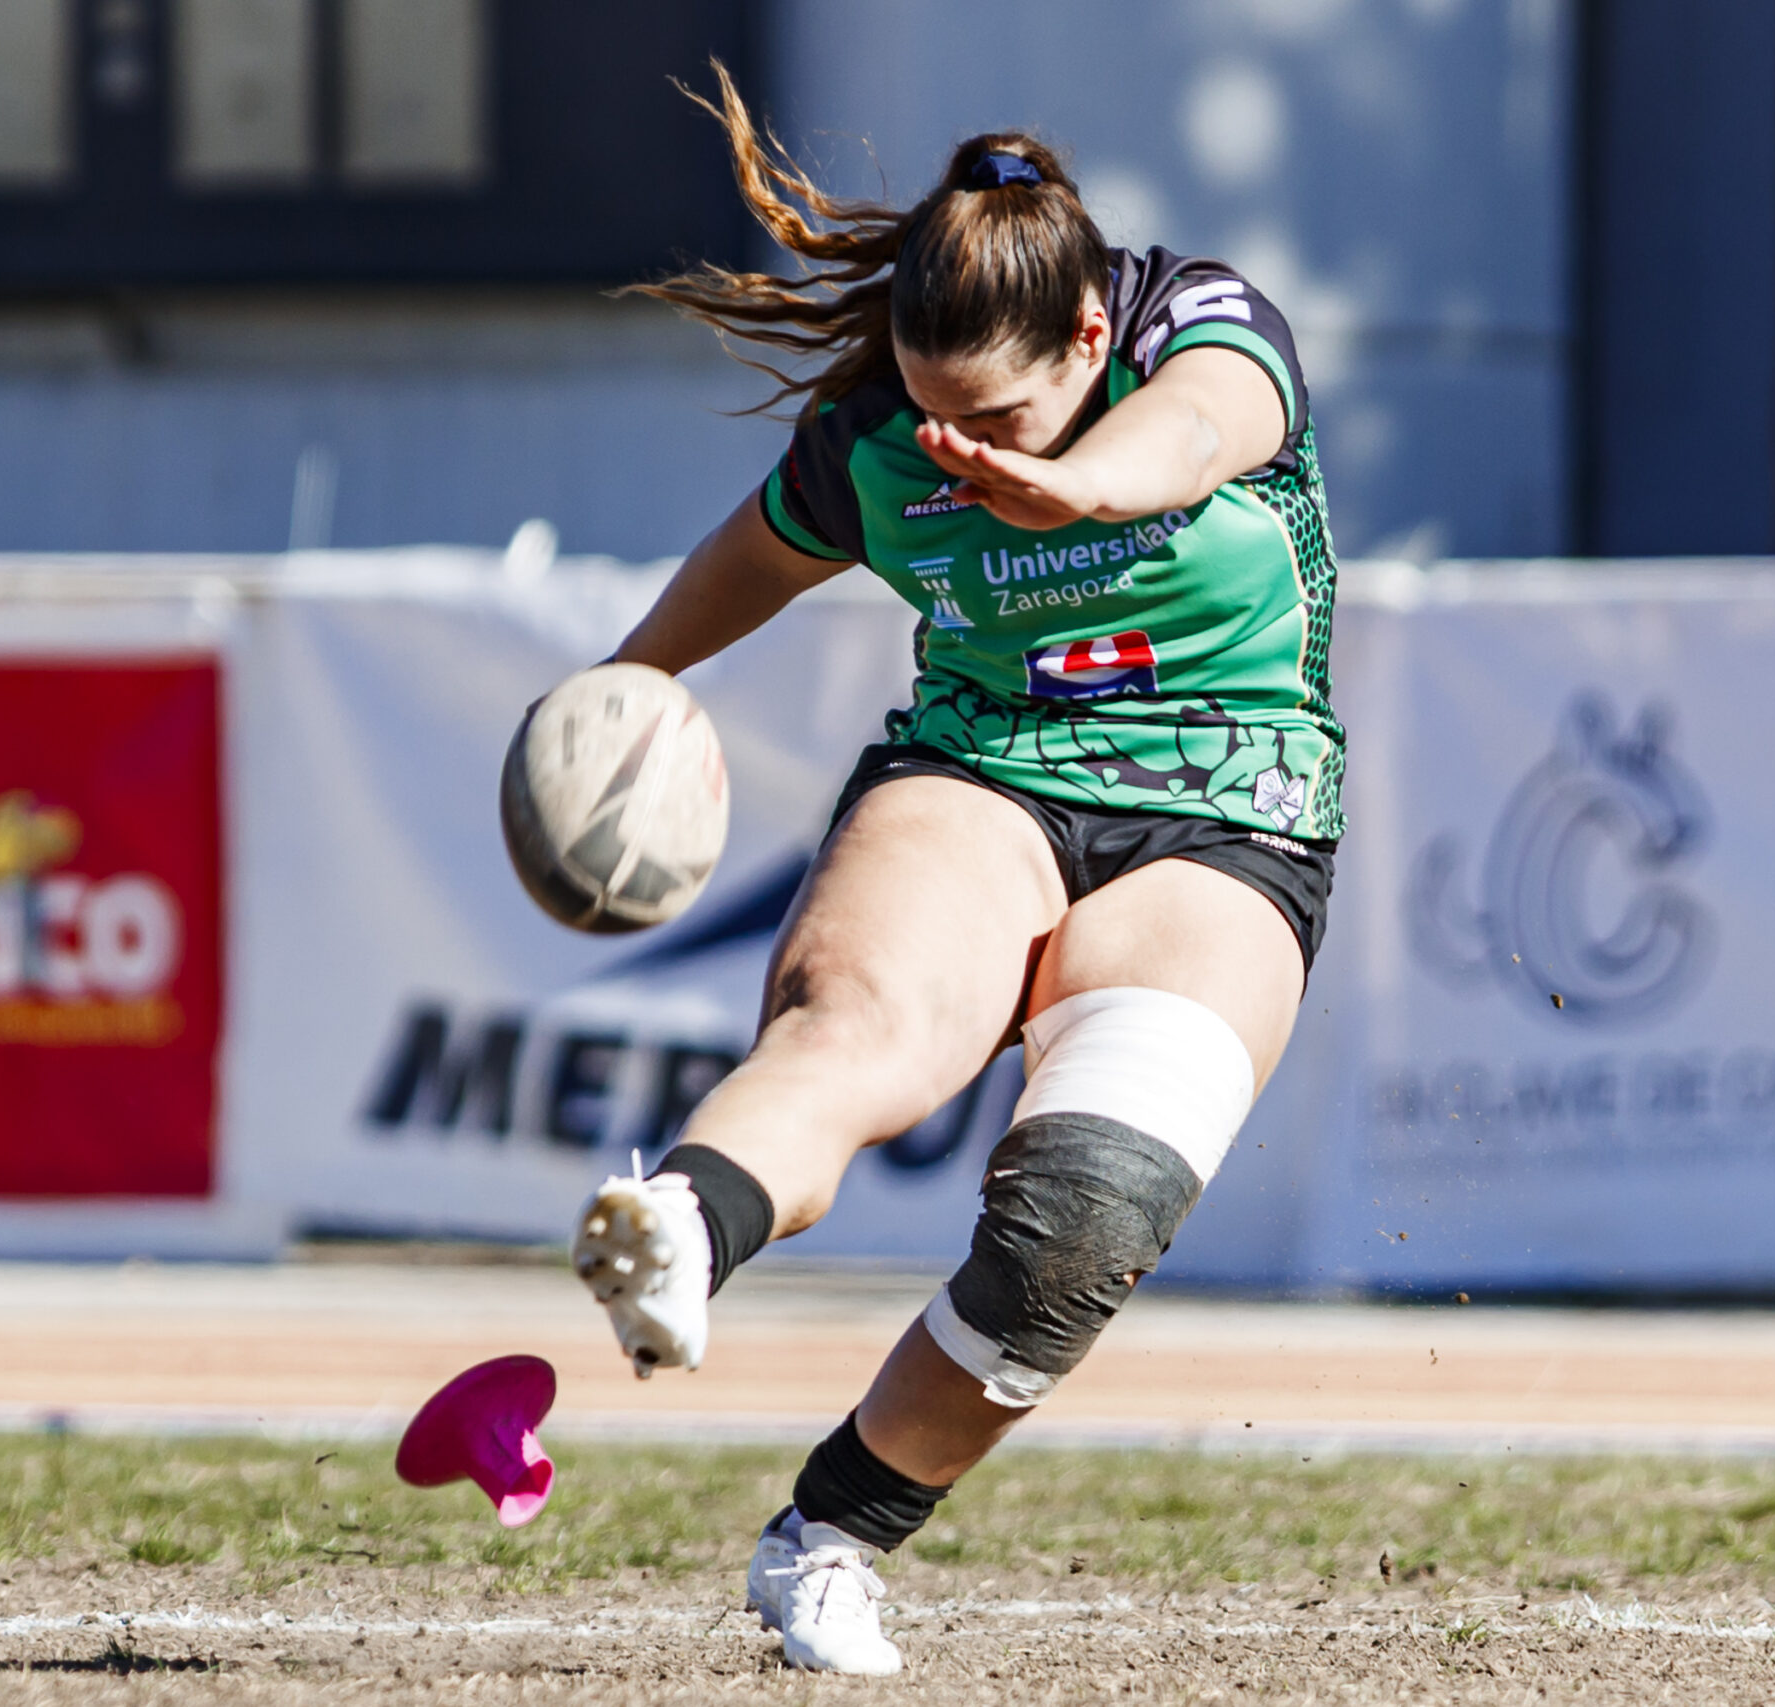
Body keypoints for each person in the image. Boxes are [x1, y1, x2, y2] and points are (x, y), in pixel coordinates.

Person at [566, 67, 1344, 1676]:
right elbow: (755, 554)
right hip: (983, 766)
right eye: (930, 405)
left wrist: (1080, 482)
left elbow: (1200, 431)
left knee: (1082, 1223)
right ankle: (679, 1229)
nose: (952, 444)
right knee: (855, 1040)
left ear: (1077, 344)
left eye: (990, 418)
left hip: (1230, 799)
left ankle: (832, 1533)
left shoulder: (1196, 324)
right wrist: (626, 686)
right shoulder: (882, 440)